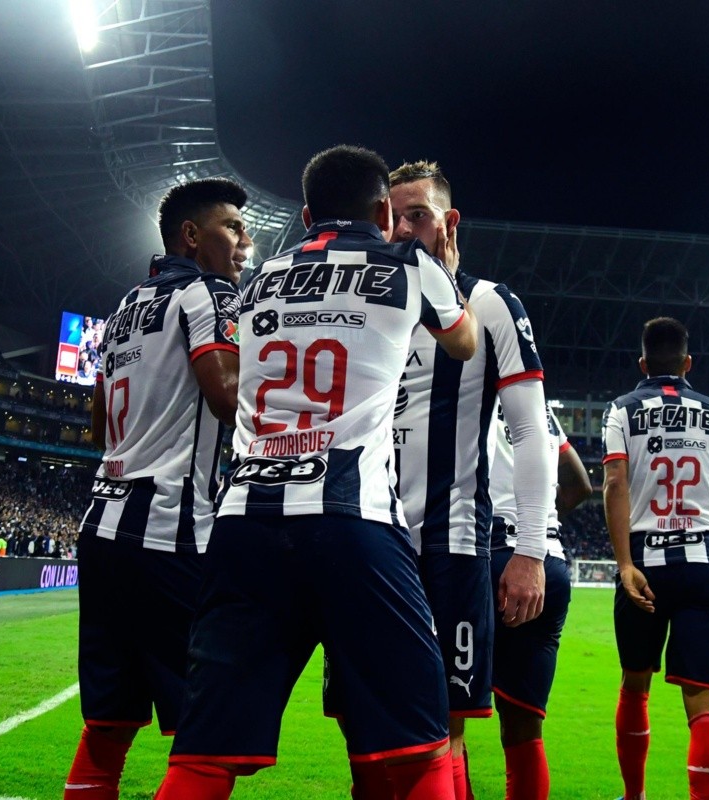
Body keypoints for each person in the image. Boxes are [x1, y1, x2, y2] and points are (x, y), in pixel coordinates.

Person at [154, 145, 478, 800]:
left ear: (305, 214)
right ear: (385, 211)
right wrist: (443, 272)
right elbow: (463, 343)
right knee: (418, 747)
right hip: (353, 522)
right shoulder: (409, 261)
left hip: (244, 521)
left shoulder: (260, 277)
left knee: (205, 756)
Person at [324, 160, 552, 800]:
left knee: (444, 729)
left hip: (447, 544)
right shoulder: (361, 294)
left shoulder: (488, 305)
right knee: (361, 725)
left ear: (449, 223)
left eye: (417, 214)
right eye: (393, 214)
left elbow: (532, 431)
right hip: (362, 541)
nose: (401, 227)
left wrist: (530, 549)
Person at [63, 177, 251, 800]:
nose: (246, 241)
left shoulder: (121, 309)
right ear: (192, 237)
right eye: (232, 228)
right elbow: (227, 398)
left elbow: (96, 426)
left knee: (109, 724)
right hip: (169, 527)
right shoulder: (208, 292)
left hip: (103, 523)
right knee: (215, 729)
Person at [602, 317, 709, 800]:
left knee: (635, 684)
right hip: (704, 565)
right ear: (687, 363)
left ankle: (635, 796)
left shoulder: (621, 409)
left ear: (642, 363)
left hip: (643, 564)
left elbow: (615, 484)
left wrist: (624, 565)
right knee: (704, 702)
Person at [488, 401, 592, 799]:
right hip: (548, 561)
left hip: (486, 552)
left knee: (449, 719)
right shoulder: (539, 406)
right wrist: (541, 519)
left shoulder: (463, 383)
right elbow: (581, 484)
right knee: (524, 727)